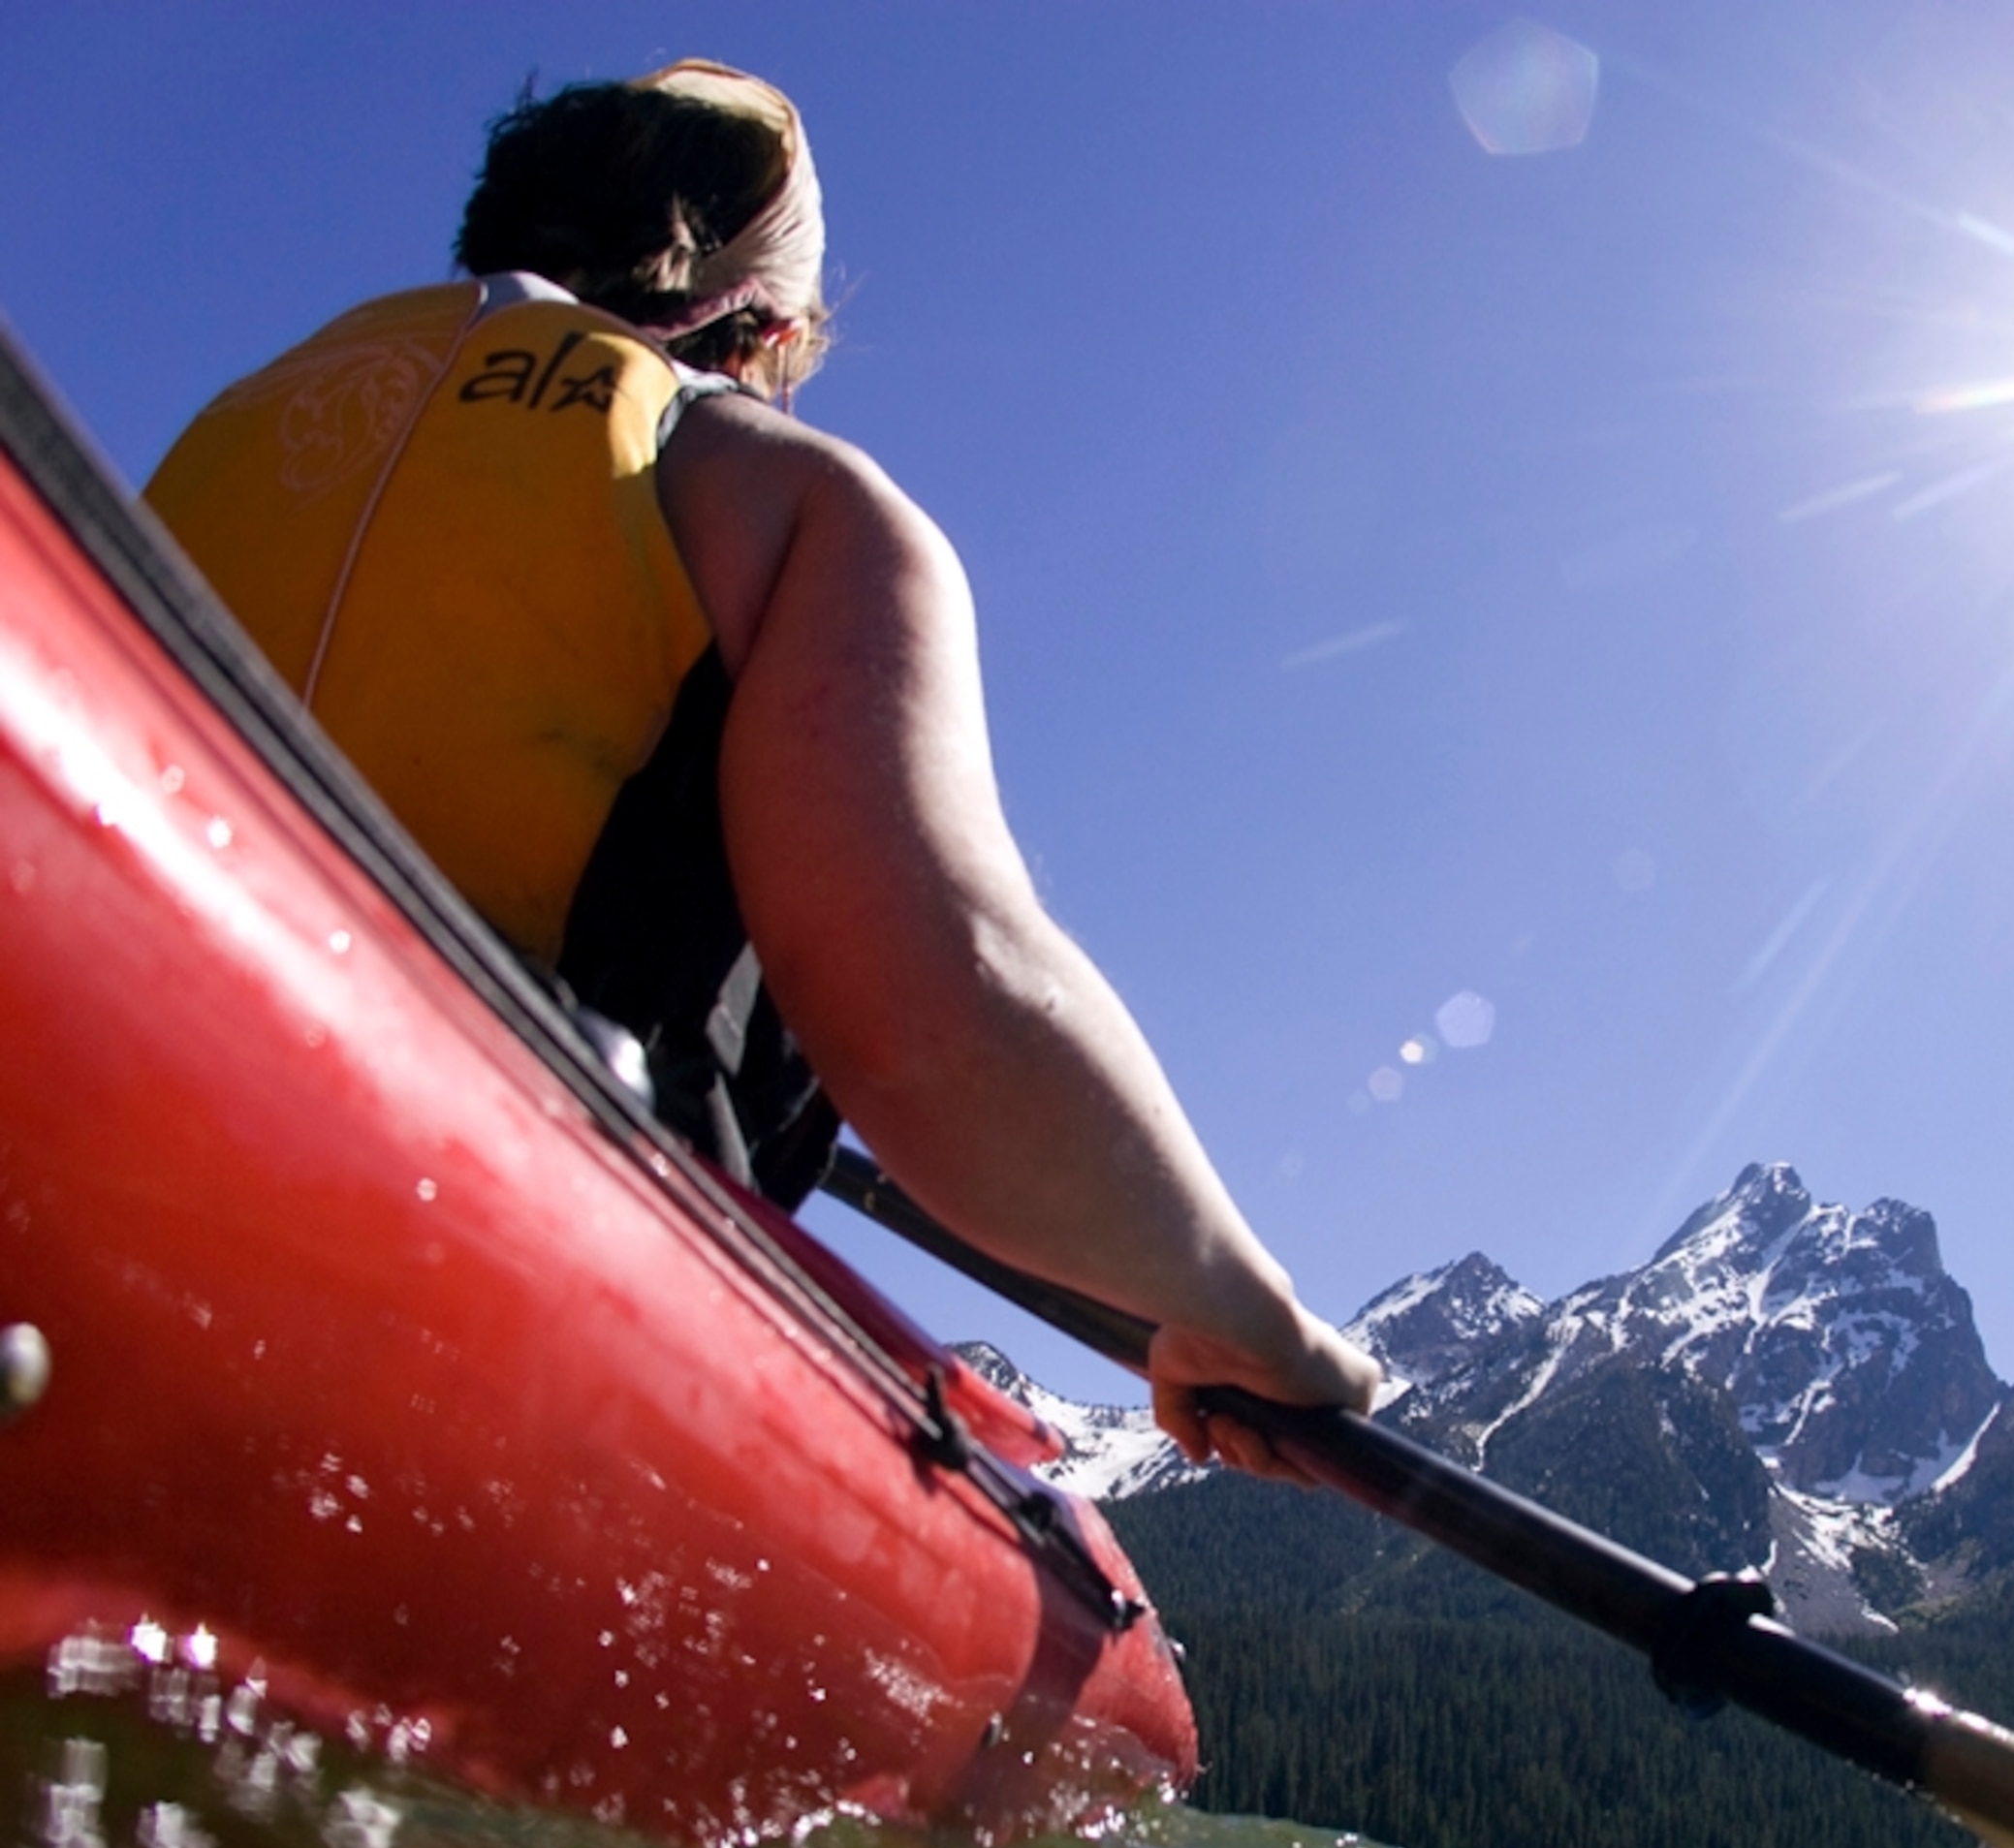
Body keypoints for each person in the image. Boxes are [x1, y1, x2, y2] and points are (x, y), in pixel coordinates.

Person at [144, 60, 1378, 1479]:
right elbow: (935, 1002)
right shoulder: (779, 495)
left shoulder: (234, 425)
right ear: (773, 328)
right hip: (443, 1305)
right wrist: (1232, 1301)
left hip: (83, 1150)